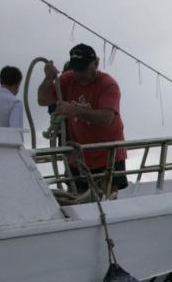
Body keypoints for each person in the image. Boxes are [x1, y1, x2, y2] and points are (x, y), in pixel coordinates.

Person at [36, 43, 128, 197]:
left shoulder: (108, 84)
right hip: (78, 155)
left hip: (108, 154)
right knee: (78, 198)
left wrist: (73, 111)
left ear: (96, 64)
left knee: (108, 197)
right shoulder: (68, 78)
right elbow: (42, 100)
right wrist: (48, 79)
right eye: (76, 68)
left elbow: (106, 117)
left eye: (83, 69)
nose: (79, 74)